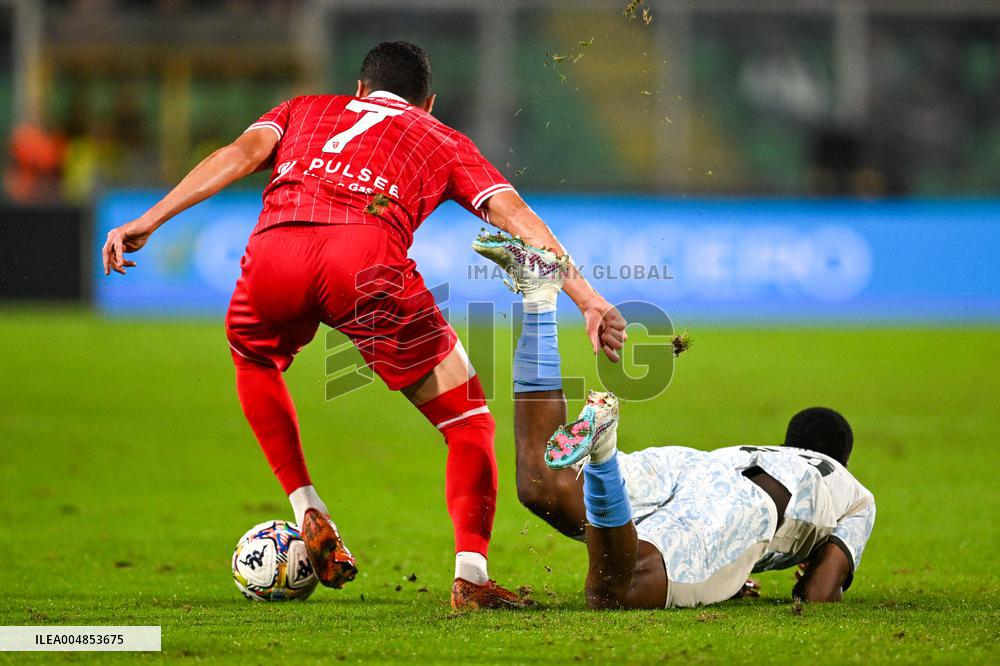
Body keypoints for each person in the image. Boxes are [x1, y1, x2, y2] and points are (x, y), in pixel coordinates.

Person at [101, 41, 626, 609]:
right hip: (365, 262)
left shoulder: (302, 108)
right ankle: (471, 578)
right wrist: (588, 299)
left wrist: (149, 218)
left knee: (253, 359)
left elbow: (237, 155)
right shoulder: (444, 139)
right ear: (429, 103)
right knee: (468, 422)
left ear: (358, 89)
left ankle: (307, 507)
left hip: (278, 248)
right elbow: (517, 217)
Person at [474, 232, 876, 608]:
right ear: (842, 460)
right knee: (616, 591)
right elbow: (819, 591)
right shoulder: (853, 493)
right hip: (741, 502)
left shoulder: (771, 455)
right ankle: (603, 453)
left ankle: (540, 295)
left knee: (544, 484)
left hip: (698, 464)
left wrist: (731, 573)